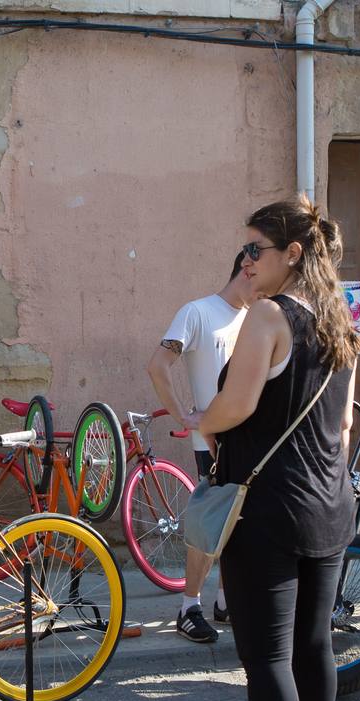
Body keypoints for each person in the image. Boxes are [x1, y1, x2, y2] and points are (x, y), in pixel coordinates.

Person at [198, 197, 360, 701]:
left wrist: (197, 418)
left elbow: (232, 407)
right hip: (327, 504)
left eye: (254, 250)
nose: (246, 261)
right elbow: (345, 424)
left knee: (266, 656)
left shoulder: (268, 316)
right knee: (313, 646)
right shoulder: (339, 319)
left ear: (290, 254)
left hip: (266, 507)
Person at [146, 252, 256, 642]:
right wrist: (184, 417)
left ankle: (226, 601)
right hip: (213, 441)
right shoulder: (197, 312)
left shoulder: (257, 318)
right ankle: (188, 606)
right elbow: (159, 365)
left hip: (252, 441)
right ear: (247, 268)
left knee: (240, 524)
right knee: (211, 523)